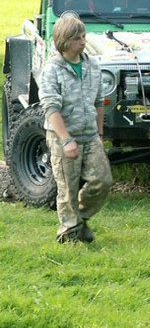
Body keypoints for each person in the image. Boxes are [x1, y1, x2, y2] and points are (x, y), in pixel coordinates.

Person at [39, 16, 113, 244]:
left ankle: (80, 219)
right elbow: (51, 108)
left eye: (83, 36)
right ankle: (69, 236)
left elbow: (99, 101)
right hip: (63, 137)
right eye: (77, 38)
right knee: (68, 190)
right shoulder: (52, 70)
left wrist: (99, 134)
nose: (83, 42)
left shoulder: (92, 65)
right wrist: (66, 140)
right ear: (64, 42)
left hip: (89, 135)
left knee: (102, 181)